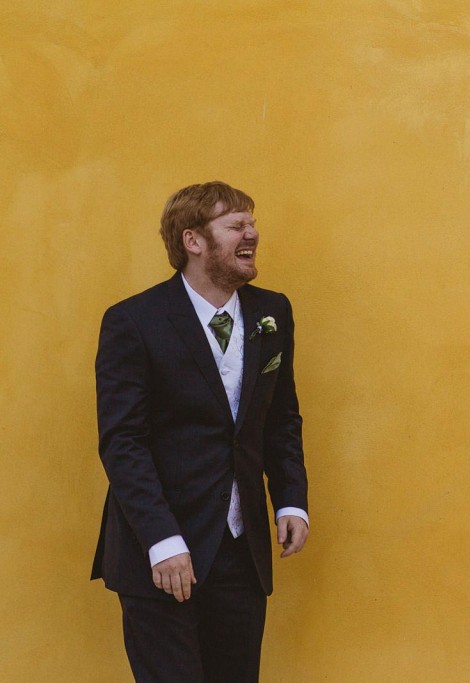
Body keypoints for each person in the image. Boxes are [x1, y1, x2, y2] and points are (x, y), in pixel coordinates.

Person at [92, 181, 310, 682]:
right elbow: (123, 441)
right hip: (163, 552)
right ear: (193, 241)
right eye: (236, 225)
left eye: (252, 223)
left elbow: (281, 418)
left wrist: (291, 499)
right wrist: (162, 539)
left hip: (241, 548)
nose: (252, 233)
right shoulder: (134, 321)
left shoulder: (272, 311)